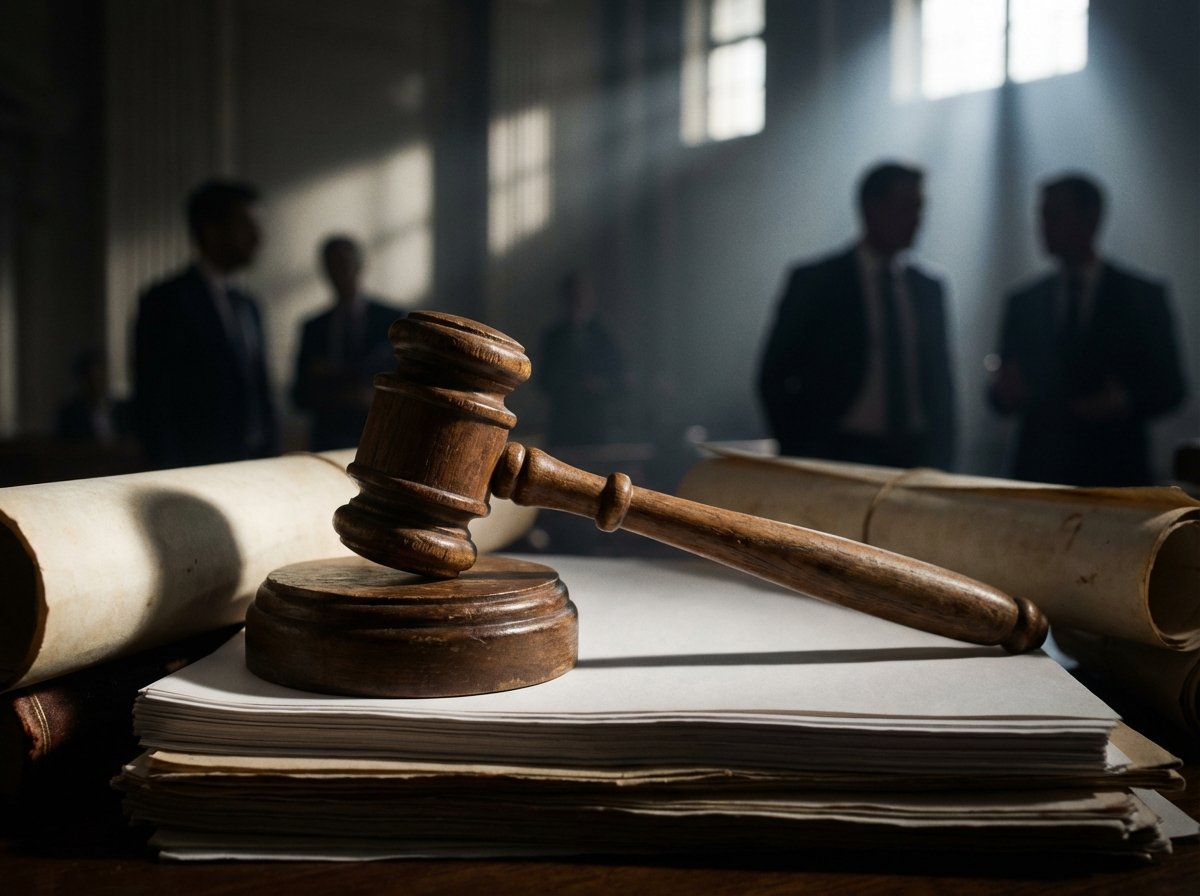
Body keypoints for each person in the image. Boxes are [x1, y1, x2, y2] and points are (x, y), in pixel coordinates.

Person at [988, 173, 1187, 486]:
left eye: (1054, 215)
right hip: (1040, 476)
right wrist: (1004, 392)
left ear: (1090, 218)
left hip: (1114, 474)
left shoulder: (1141, 297)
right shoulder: (1024, 302)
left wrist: (1124, 401)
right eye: (1042, 216)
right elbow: (1000, 394)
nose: (1043, 227)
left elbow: (1172, 387)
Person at [757, 162, 956, 469]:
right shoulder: (817, 282)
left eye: (920, 207)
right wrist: (801, 449)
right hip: (839, 454)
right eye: (906, 207)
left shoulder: (928, 287)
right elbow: (774, 375)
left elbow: (942, 384)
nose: (917, 219)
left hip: (915, 458)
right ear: (871, 208)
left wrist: (944, 459)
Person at [134, 179, 278, 468]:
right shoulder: (166, 301)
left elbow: (258, 389)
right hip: (196, 468)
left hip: (255, 467)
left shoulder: (249, 304)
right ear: (212, 231)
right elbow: (154, 399)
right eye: (246, 225)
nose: (258, 237)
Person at [292, 235, 401, 451]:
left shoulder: (391, 320)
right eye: (332, 266)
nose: (339, 272)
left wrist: (372, 398)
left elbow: (407, 380)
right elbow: (298, 394)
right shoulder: (313, 327)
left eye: (344, 264)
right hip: (328, 439)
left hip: (379, 434)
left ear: (359, 266)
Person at [536, 271, 627, 448]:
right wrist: (566, 385)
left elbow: (620, 377)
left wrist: (599, 385)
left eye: (581, 295)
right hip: (562, 423)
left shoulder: (604, 335)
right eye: (572, 296)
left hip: (596, 424)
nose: (577, 301)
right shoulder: (553, 337)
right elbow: (542, 380)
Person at [55, 347, 133, 442]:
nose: (96, 383)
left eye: (100, 377)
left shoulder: (122, 410)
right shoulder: (70, 413)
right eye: (91, 378)